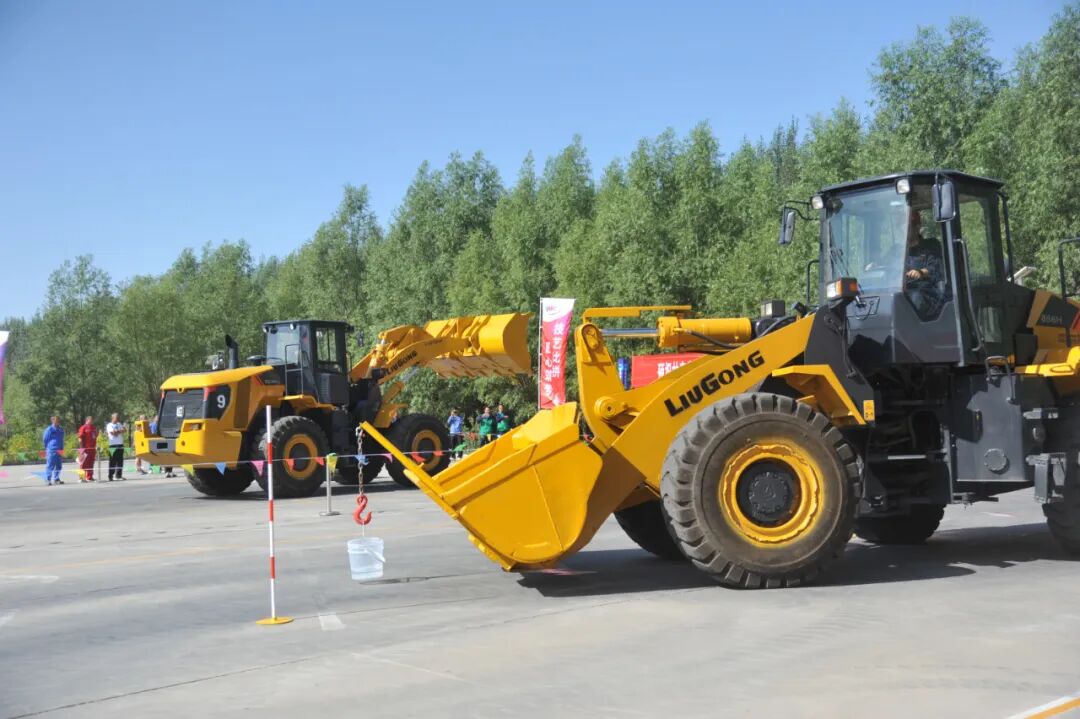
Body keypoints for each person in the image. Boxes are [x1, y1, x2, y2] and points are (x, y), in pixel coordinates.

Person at [903, 209, 946, 318]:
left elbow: (937, 269)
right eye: (901, 225)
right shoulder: (896, 250)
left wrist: (921, 272)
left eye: (908, 226)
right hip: (901, 292)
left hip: (926, 294)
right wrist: (875, 266)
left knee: (914, 298)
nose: (904, 229)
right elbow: (887, 267)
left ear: (917, 227)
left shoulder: (930, 246)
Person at [42, 416, 65, 485]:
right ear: (52, 421)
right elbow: (45, 439)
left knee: (59, 465)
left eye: (58, 421)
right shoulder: (49, 429)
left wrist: (62, 448)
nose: (58, 422)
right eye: (56, 421)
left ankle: (56, 479)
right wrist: (48, 447)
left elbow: (62, 439)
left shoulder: (61, 429)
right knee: (50, 465)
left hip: (60, 449)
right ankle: (47, 479)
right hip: (52, 449)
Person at [76, 416, 98, 482]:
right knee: (83, 463)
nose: (92, 421)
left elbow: (95, 437)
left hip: (92, 448)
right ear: (87, 420)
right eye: (90, 420)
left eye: (92, 420)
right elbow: (80, 438)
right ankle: (81, 478)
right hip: (85, 448)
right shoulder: (83, 427)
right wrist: (81, 448)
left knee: (91, 463)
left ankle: (89, 477)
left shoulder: (93, 427)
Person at [105, 413, 126, 481]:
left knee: (120, 460)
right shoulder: (109, 425)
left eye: (118, 417)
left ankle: (118, 476)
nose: (118, 419)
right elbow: (113, 433)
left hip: (120, 444)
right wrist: (119, 431)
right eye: (116, 418)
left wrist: (117, 431)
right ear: (113, 418)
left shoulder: (119, 424)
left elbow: (124, 430)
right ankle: (110, 476)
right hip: (113, 445)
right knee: (112, 461)